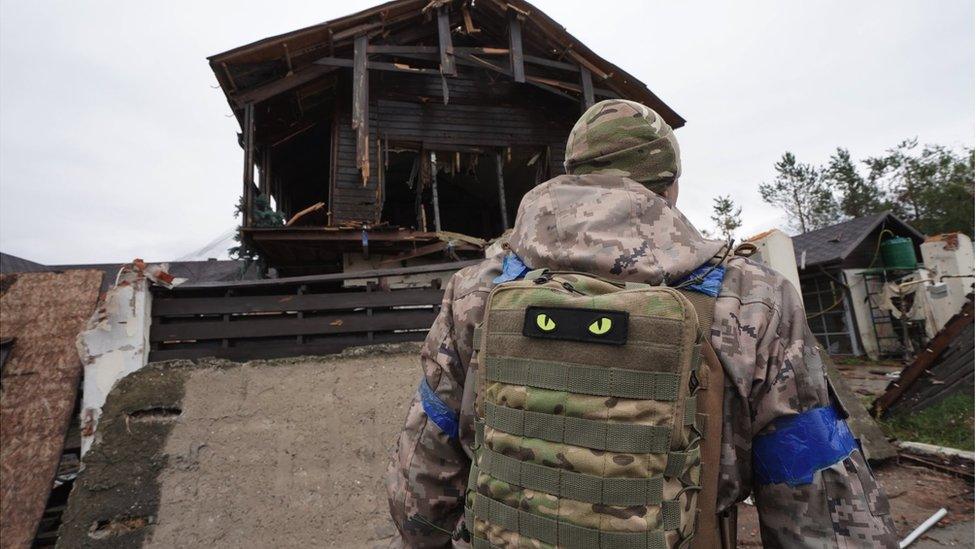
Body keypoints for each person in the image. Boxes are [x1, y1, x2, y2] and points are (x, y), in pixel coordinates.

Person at [386, 99, 897, 548]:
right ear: (669, 187)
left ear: (571, 174)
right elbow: (822, 502)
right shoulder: (754, 298)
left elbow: (422, 479)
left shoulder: (478, 288)